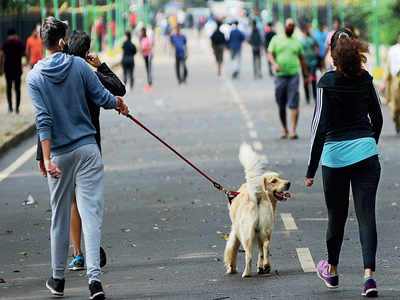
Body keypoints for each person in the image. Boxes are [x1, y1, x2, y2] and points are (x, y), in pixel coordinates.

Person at [27, 17, 129, 300]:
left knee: (59, 216)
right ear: (62, 42)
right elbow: (101, 95)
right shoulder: (79, 66)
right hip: (87, 149)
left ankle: (58, 279)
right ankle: (94, 281)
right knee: (91, 214)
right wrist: (118, 105)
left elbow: (43, 119)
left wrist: (46, 159)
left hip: (58, 154)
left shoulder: (34, 77)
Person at [306, 29, 383, 297]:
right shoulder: (366, 79)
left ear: (332, 54)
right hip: (366, 154)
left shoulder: (326, 82)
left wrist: (311, 169)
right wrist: (368, 144)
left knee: (336, 217)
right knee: (366, 216)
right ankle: (369, 278)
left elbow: (318, 127)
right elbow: (378, 117)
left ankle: (333, 271)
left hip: (334, 158)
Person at [268, 18, 308, 139]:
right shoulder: (276, 39)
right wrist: (274, 64)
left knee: (294, 103)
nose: (291, 27)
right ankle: (285, 128)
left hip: (293, 76)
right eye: (289, 25)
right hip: (280, 77)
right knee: (281, 104)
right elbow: (270, 53)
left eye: (293, 25)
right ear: (285, 26)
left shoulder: (296, 42)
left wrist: (306, 75)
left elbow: (302, 58)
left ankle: (293, 130)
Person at [0, 28, 25, 114]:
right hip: (17, 68)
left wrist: (1, 69)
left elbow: (1, 55)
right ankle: (17, 108)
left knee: (9, 88)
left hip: (8, 69)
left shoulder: (5, 43)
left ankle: (10, 107)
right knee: (17, 89)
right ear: (15, 34)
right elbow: (24, 53)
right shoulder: (18, 42)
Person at [382, 31, 400, 134]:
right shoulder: (392, 50)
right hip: (395, 79)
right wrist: (384, 82)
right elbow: (388, 67)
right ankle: (397, 122)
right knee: (395, 107)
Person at [300, 23, 319, 104]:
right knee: (306, 80)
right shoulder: (301, 40)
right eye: (306, 29)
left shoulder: (313, 38)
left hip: (313, 62)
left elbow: (317, 46)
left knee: (313, 79)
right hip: (304, 63)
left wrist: (316, 53)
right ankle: (307, 98)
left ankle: (315, 97)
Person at [140, 27, 153, 92]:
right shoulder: (142, 39)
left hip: (148, 55)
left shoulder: (148, 39)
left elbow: (150, 47)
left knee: (149, 69)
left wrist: (145, 49)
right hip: (144, 55)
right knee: (147, 68)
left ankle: (150, 81)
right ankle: (149, 80)